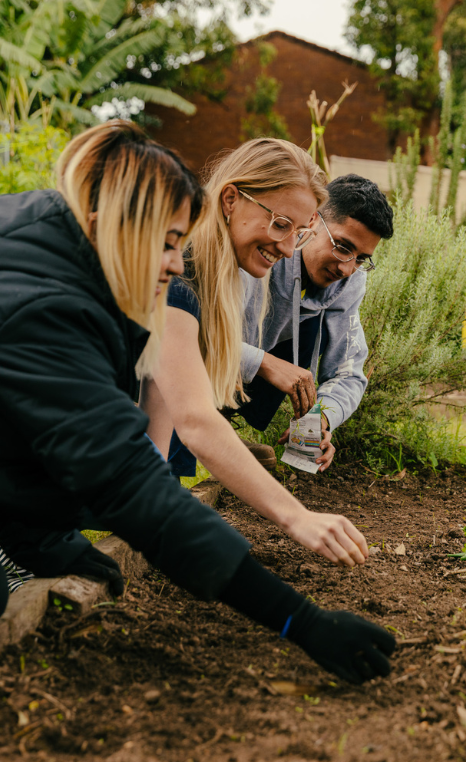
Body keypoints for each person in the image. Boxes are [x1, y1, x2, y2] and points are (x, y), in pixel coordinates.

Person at [0, 122, 395, 698]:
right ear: (113, 227)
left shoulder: (77, 293)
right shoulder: (43, 311)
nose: (176, 262)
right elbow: (128, 481)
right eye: (167, 242)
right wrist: (300, 622)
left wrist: (53, 547)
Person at [138, 139, 369, 568]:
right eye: (282, 225)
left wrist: (155, 497)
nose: (286, 249)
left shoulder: (221, 265)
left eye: (296, 233)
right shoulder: (181, 266)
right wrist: (295, 517)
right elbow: (193, 418)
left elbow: (163, 399)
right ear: (230, 199)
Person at [237, 173, 394, 470]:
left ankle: (221, 430)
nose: (347, 268)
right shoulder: (264, 252)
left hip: (243, 370)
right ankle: (202, 430)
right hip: (195, 369)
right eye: (343, 246)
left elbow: (348, 371)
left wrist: (320, 418)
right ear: (312, 221)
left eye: (361, 258)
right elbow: (194, 340)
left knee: (312, 327)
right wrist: (267, 364)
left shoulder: (350, 282)